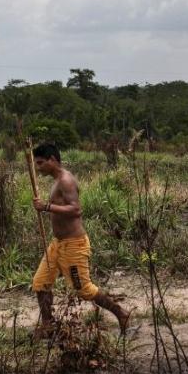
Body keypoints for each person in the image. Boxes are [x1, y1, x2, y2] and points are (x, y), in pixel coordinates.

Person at [29, 143, 131, 337]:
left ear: (52, 159)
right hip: (57, 244)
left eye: (41, 163)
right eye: (36, 163)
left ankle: (121, 313)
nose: (38, 167)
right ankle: (48, 325)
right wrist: (45, 207)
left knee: (84, 290)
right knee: (40, 283)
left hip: (74, 245)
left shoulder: (66, 180)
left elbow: (76, 210)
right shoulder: (56, 180)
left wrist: (47, 207)